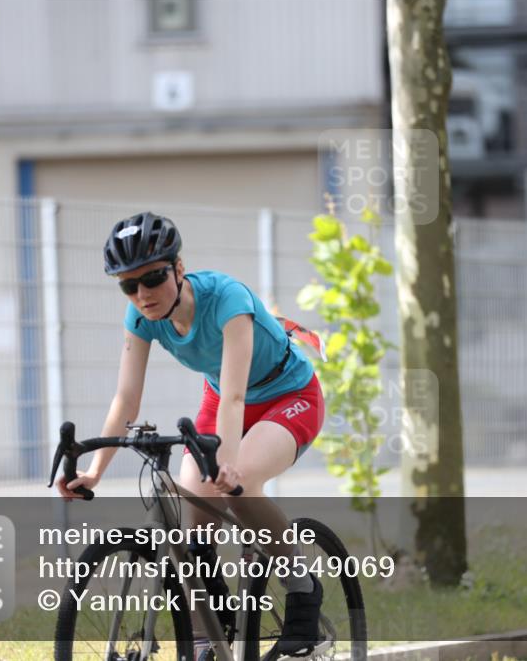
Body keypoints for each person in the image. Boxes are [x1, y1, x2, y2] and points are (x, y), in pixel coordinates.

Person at [56, 212, 325, 656]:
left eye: (153, 278)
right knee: (194, 518)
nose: (142, 295)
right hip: (222, 399)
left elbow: (238, 399)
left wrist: (229, 465)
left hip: (286, 394)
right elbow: (126, 398)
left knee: (238, 489)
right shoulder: (141, 315)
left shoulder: (228, 300)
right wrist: (95, 471)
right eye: (128, 285)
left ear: (179, 268)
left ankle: (302, 584)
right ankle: (208, 638)